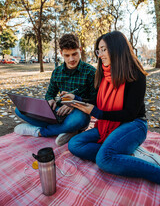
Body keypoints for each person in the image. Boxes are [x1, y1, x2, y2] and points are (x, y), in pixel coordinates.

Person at [66, 31, 160, 184]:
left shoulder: (136, 74)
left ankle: (154, 171)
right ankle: (121, 155)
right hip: (108, 125)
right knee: (74, 144)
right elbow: (97, 101)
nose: (100, 54)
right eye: (99, 50)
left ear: (116, 48)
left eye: (103, 49)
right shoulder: (104, 73)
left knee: (103, 160)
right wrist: (76, 99)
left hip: (134, 124)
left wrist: (95, 112)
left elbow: (129, 114)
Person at [14, 33, 97, 146]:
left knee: (79, 120)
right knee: (20, 109)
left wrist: (73, 103)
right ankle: (67, 130)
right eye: (67, 55)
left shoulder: (91, 72)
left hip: (78, 113)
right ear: (61, 53)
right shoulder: (57, 72)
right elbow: (49, 94)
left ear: (80, 50)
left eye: (74, 54)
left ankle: (40, 131)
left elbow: (95, 100)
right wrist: (50, 100)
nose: (71, 59)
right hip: (58, 111)